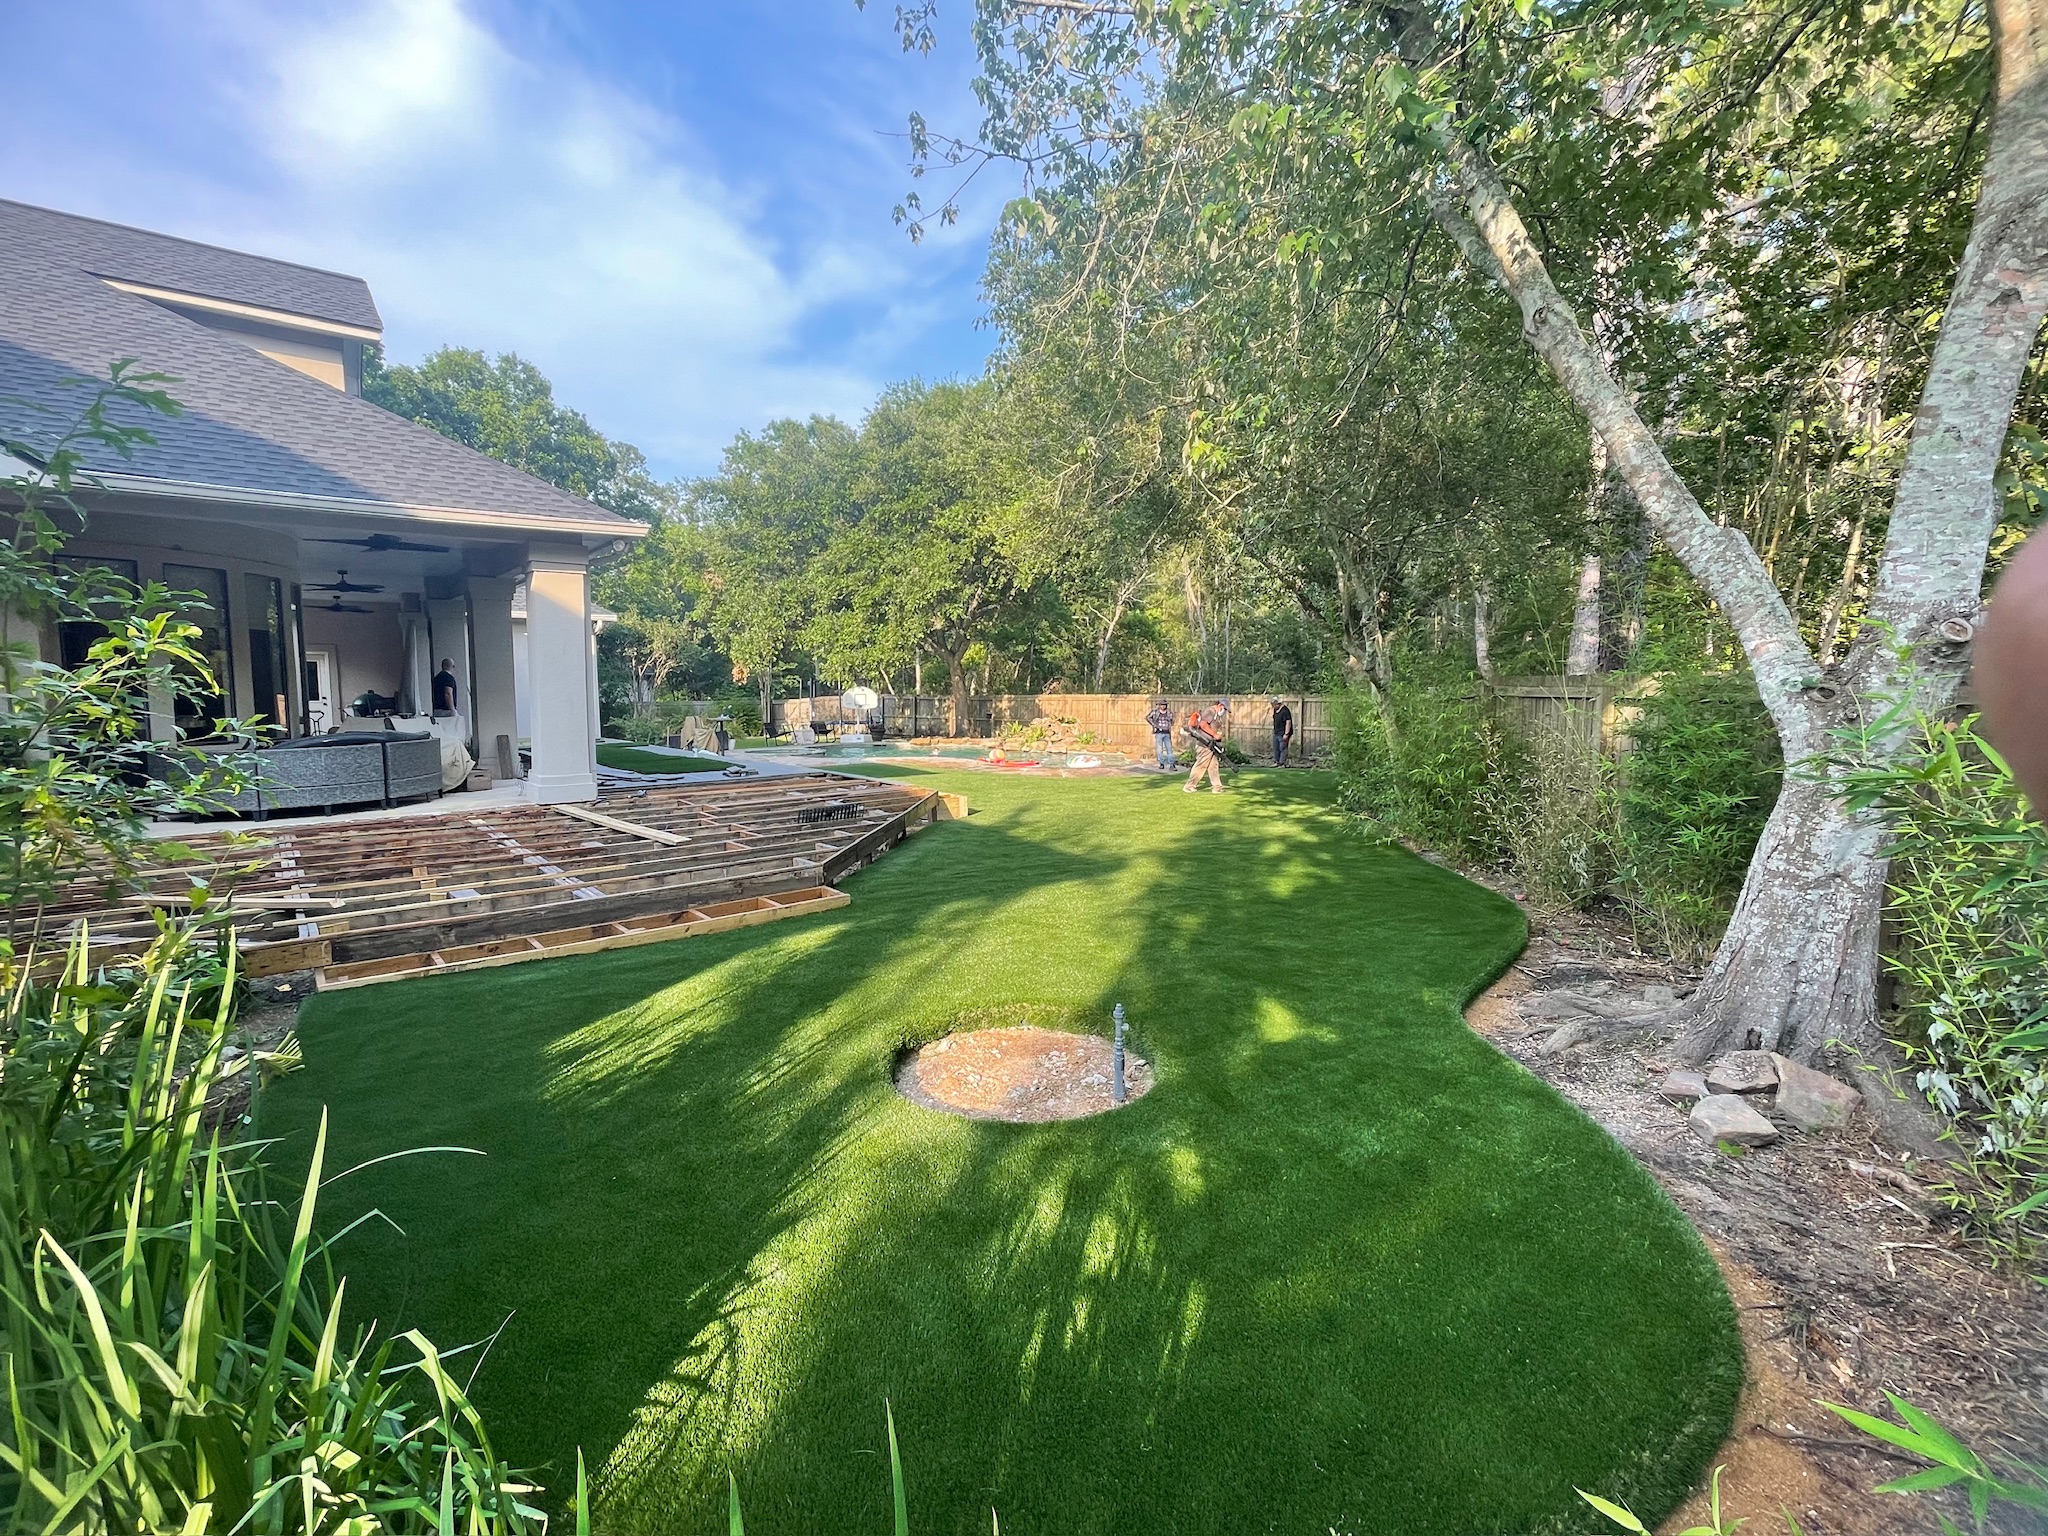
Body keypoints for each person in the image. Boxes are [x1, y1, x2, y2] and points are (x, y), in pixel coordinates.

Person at [1183, 696, 1229, 794]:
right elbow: (1203, 724)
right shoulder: (1210, 711)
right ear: (1220, 705)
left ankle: (1217, 787)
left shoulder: (1216, 715)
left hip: (1211, 744)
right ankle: (1189, 786)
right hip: (1204, 744)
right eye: (1224, 709)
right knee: (1201, 765)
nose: (1224, 711)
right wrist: (1215, 735)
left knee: (1213, 766)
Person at [1144, 696, 1176, 770]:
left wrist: (1169, 725)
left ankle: (1172, 765)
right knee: (1159, 750)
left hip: (1167, 733)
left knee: (1169, 750)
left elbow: (1172, 720)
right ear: (1159, 705)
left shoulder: (1169, 712)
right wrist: (1154, 725)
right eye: (1161, 705)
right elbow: (1148, 717)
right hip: (1159, 733)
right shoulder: (1155, 712)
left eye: (1164, 705)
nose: (1163, 706)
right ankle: (1161, 763)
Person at [1270, 695, 1295, 767]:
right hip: (1276, 732)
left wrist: (1286, 734)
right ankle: (1277, 762)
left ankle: (1282, 763)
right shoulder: (1275, 710)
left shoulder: (1285, 711)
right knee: (1276, 748)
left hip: (1283, 733)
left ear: (1278, 703)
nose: (1273, 706)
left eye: (1274, 704)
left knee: (1282, 748)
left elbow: (1288, 722)